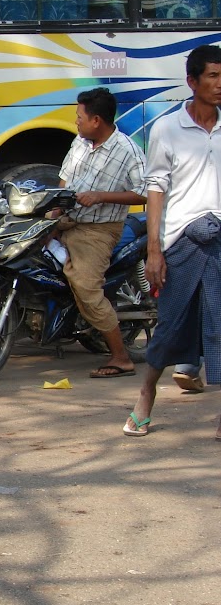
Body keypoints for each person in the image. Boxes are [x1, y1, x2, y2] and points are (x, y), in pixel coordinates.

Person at [123, 44, 221, 437]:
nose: (219, 84)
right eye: (213, 76)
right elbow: (155, 188)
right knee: (169, 327)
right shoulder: (167, 128)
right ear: (192, 82)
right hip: (181, 241)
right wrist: (153, 251)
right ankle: (146, 396)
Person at [56, 87, 148, 379]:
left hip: (98, 230)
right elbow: (64, 179)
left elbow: (145, 193)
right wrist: (53, 211)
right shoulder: (79, 143)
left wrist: (101, 196)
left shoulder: (128, 150)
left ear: (96, 120)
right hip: (65, 217)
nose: (76, 122)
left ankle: (121, 357)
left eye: (79, 117)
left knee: (85, 285)